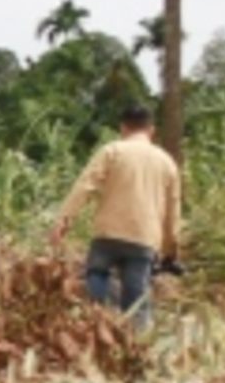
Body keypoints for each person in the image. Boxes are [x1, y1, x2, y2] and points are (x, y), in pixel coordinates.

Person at [53, 105, 182, 318]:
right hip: (145, 238)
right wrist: (171, 249)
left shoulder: (112, 151)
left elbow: (84, 186)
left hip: (108, 234)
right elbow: (172, 211)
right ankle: (137, 344)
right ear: (152, 130)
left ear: (122, 128)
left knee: (96, 274)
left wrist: (63, 221)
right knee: (136, 295)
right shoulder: (167, 163)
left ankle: (104, 318)